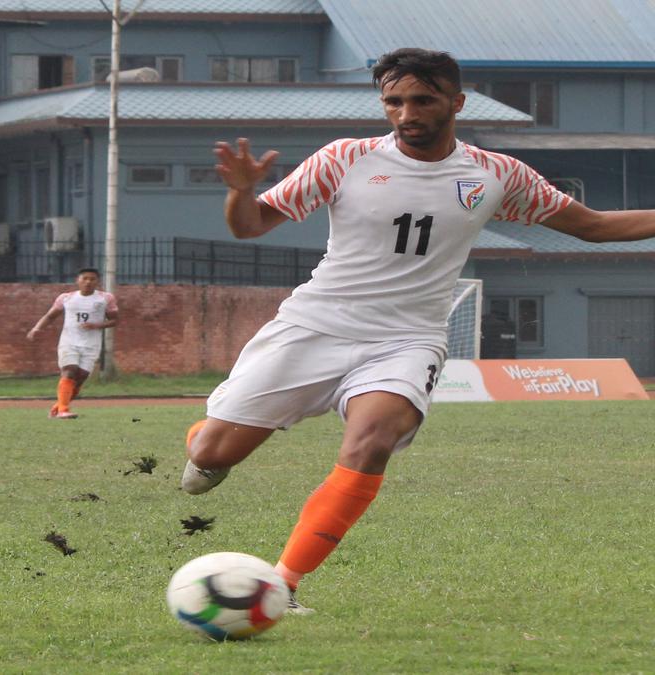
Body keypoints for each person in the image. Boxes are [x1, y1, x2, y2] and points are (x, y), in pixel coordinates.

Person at [184, 47, 655, 613]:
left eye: (422, 100)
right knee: (210, 457)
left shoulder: (497, 174)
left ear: (455, 102)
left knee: (372, 442)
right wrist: (239, 190)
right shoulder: (344, 158)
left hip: (407, 340)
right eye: (394, 101)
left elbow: (595, 226)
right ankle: (215, 434)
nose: (406, 112)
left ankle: (282, 585)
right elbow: (251, 226)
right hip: (315, 325)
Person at [26, 267, 119, 419]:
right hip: (69, 342)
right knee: (69, 370)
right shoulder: (66, 298)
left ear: (98, 281)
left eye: (92, 279)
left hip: (91, 345)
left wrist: (96, 325)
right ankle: (63, 410)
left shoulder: (105, 298)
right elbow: (50, 316)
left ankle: (57, 407)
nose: (88, 282)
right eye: (85, 278)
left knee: (80, 377)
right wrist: (36, 328)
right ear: (78, 280)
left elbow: (115, 320)